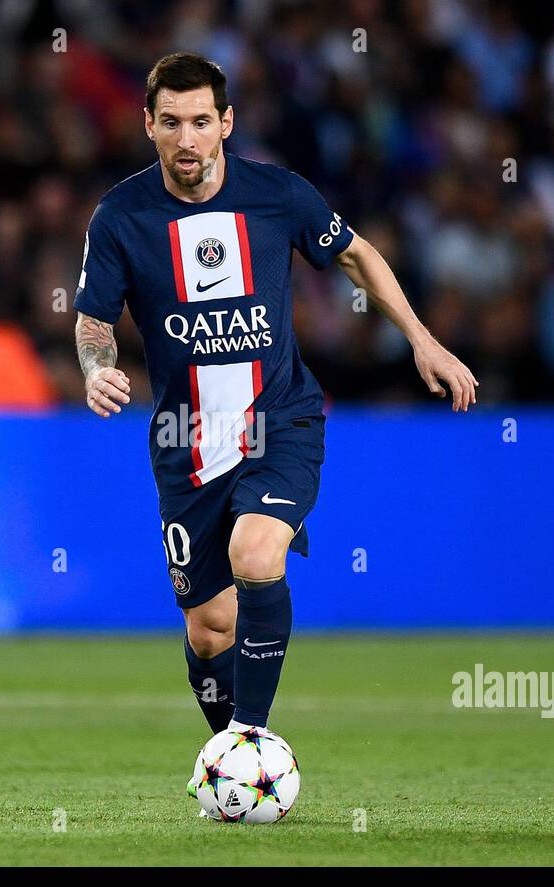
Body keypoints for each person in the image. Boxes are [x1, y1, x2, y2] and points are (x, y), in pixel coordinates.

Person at [72, 53, 477, 804]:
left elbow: (355, 256)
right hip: (186, 440)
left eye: (201, 122)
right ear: (149, 126)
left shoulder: (278, 195)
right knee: (208, 629)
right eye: (171, 123)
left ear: (227, 123)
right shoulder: (122, 217)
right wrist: (96, 367)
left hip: (281, 419)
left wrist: (421, 338)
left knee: (257, 553)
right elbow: (94, 317)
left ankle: (249, 747)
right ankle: (231, 749)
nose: (187, 139)